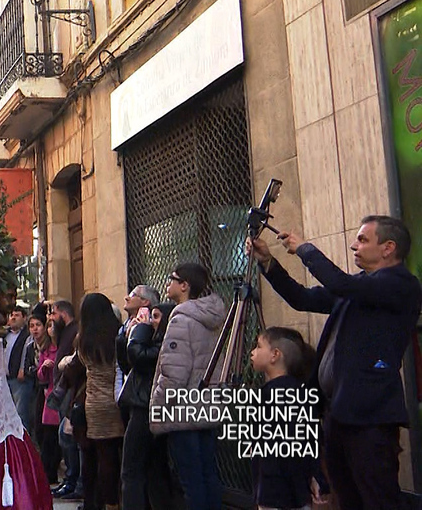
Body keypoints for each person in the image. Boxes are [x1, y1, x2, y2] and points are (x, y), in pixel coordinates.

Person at [248, 216, 422, 510]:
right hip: (338, 413)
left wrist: (305, 250)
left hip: (369, 418)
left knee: (376, 499)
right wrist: (268, 263)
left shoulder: (400, 285)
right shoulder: (357, 288)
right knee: (346, 499)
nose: (354, 245)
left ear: (388, 248)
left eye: (364, 240)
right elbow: (302, 298)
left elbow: (340, 284)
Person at [149, 262, 227, 510]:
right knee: (208, 475)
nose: (167, 283)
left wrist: (158, 405)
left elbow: (173, 373)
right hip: (208, 406)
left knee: (191, 482)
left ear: (184, 286)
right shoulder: (212, 317)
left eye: (172, 279)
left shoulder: (181, 318)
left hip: (183, 409)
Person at [248, 326, 328, 510]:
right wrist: (315, 476)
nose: (253, 352)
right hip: (300, 489)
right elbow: (312, 438)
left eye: (259, 346)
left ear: (275, 355)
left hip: (272, 490)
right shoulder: (304, 394)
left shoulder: (264, 397)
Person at [120, 301, 180, 510]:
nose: (150, 322)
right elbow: (126, 361)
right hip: (146, 406)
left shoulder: (164, 345)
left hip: (147, 408)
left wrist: (140, 330)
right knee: (154, 470)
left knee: (134, 470)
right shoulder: (150, 340)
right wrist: (126, 336)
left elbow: (139, 357)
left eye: (155, 317)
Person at [74, 293, 125, 510]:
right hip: (116, 399)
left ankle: (102, 503)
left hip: (94, 403)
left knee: (101, 456)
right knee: (117, 454)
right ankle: (117, 501)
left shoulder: (83, 339)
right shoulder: (118, 335)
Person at [48, 299, 81, 500]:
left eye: (53, 313)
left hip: (72, 390)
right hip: (64, 390)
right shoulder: (63, 333)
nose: (51, 318)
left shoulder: (75, 331)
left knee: (68, 436)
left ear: (63, 313)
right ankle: (70, 479)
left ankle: (74, 480)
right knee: (65, 436)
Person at [28, 314, 62, 485]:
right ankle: (47, 472)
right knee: (45, 433)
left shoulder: (62, 348)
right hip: (48, 393)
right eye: (48, 326)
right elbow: (40, 375)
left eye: (51, 326)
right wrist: (44, 367)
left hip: (60, 393)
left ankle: (53, 470)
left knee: (57, 436)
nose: (50, 330)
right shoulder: (45, 349)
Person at [1, 305, 33, 433]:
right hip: (5, 379)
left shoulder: (26, 336)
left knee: (21, 414)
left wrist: (22, 369)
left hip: (19, 381)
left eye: (17, 315)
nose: (13, 318)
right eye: (12, 315)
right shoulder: (5, 335)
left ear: (24, 318)